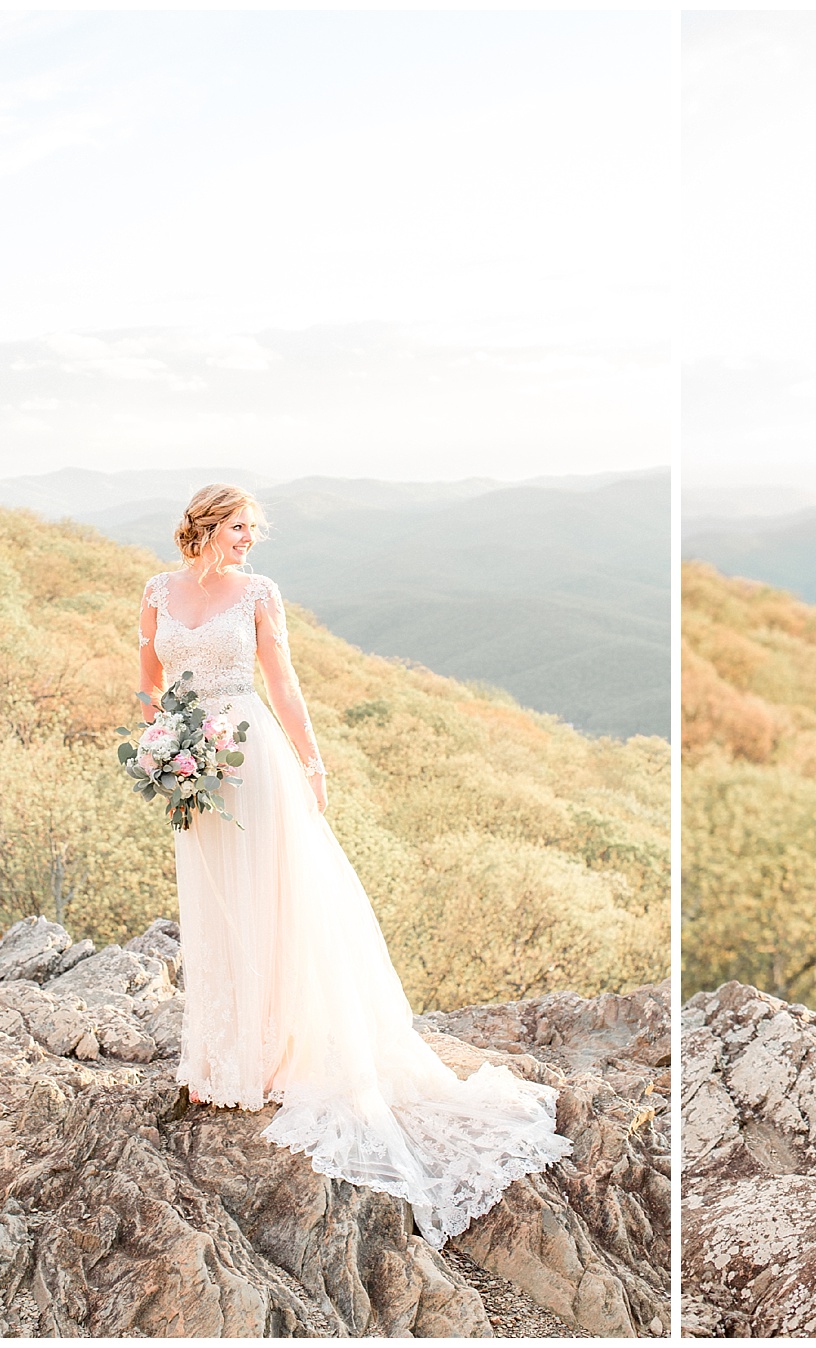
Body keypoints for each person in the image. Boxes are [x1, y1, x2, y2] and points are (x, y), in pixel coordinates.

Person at [137, 484, 570, 1248]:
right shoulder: (157, 593)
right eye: (239, 527)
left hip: (252, 759)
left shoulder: (260, 594)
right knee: (213, 904)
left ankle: (274, 1056)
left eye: (252, 529)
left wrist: (313, 761)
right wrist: (163, 743)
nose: (248, 539)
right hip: (194, 767)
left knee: (273, 900)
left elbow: (284, 683)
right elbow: (147, 677)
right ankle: (219, 1062)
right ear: (207, 526)